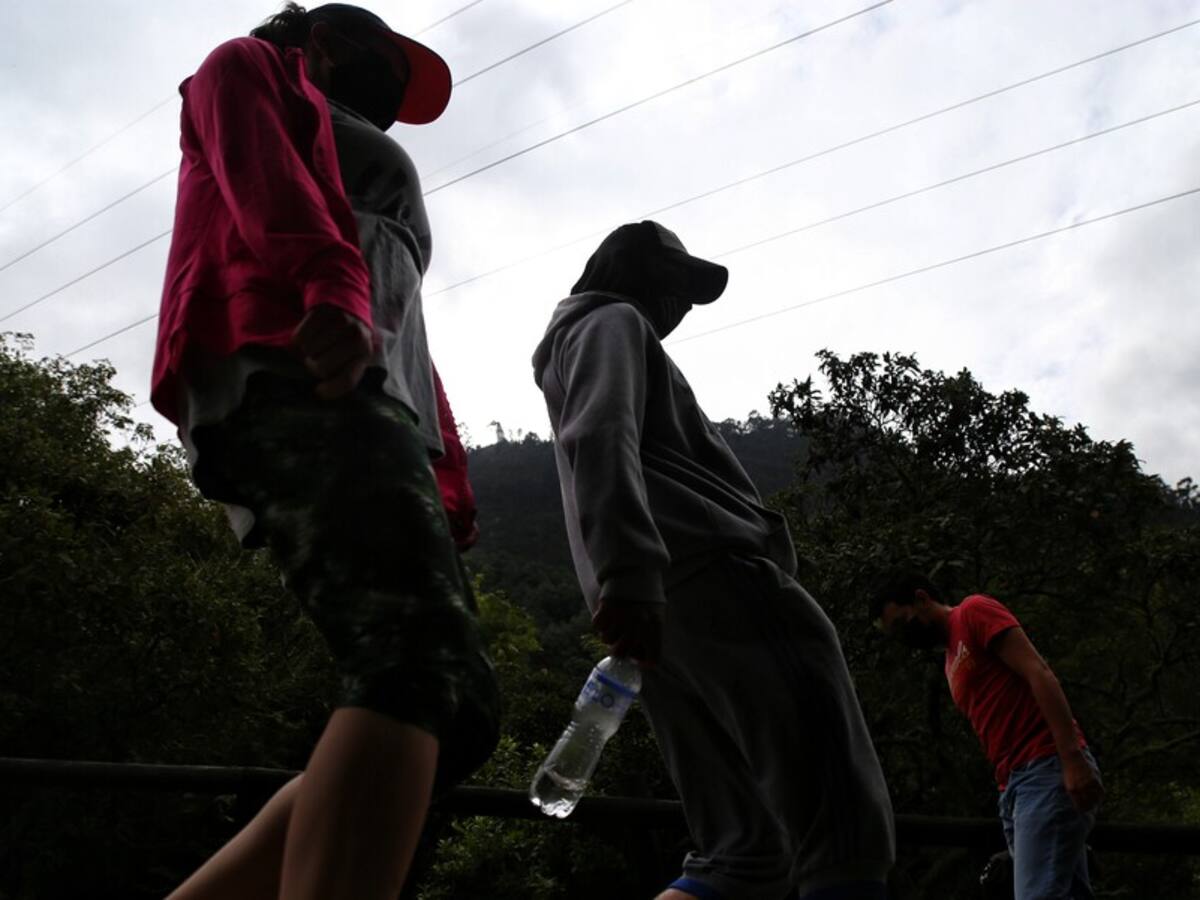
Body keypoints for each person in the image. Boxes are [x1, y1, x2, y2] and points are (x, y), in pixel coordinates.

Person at [150, 6, 499, 899]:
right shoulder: (248, 68)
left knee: (460, 710)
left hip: (368, 387)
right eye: (386, 66)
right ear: (328, 46)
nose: (393, 98)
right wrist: (326, 279)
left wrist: (444, 471)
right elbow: (269, 183)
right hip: (286, 357)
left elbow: (401, 321)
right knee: (411, 660)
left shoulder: (354, 156)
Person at [531, 220, 896, 900]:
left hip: (656, 618)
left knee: (745, 849)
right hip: (707, 574)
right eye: (678, 283)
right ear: (636, 272)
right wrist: (632, 570)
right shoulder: (613, 320)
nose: (684, 306)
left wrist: (627, 581)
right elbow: (602, 434)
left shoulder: (576, 340)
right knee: (842, 823)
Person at [871, 573, 1103, 899]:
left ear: (922, 598)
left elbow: (1039, 672)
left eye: (901, 623)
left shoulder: (973, 611)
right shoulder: (950, 659)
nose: (902, 636)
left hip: (1046, 768)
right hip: (1014, 787)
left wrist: (1072, 758)